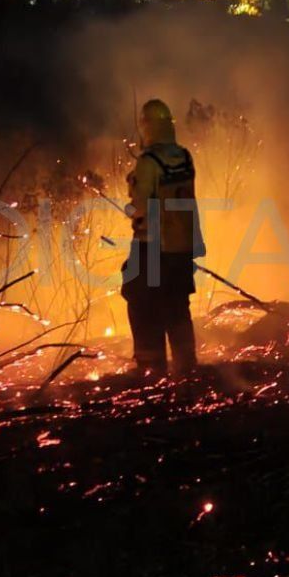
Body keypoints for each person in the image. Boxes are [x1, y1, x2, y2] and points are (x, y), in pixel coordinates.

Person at [121, 99, 206, 377]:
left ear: (147, 126)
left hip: (152, 248)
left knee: (141, 303)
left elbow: (142, 208)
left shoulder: (148, 162)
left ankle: (151, 369)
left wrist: (130, 205)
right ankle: (186, 366)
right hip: (182, 248)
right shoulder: (184, 156)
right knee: (177, 308)